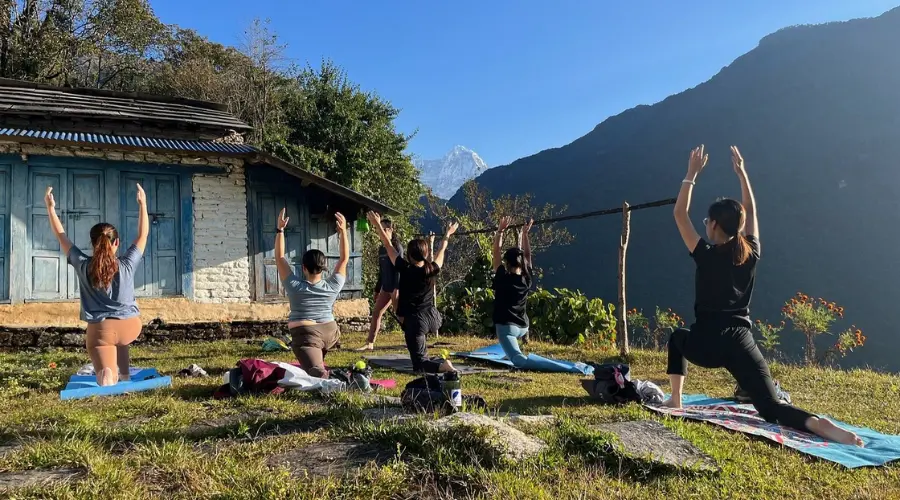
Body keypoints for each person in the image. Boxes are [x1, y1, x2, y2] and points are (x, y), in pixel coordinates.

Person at [667, 144, 863, 446]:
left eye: (707, 221)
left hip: (707, 344)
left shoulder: (704, 254)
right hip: (741, 342)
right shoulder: (751, 252)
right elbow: (752, 210)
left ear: (715, 225)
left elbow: (679, 214)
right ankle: (815, 422)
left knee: (677, 338)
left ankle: (675, 400)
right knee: (771, 407)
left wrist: (691, 174)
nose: (705, 224)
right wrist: (742, 172)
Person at [45, 184, 149, 387]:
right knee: (119, 341)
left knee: (106, 371)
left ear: (93, 243)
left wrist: (50, 208)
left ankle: (109, 375)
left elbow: (61, 235)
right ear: (116, 242)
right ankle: (125, 375)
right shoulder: (127, 264)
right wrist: (142, 204)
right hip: (131, 326)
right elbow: (142, 235)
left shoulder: (82, 264)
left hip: (102, 332)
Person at [367, 211, 456, 373]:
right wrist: (447, 234)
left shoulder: (405, 268)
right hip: (433, 317)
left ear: (408, 255)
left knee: (420, 364)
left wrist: (377, 225)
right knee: (418, 347)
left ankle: (444, 366)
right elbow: (442, 250)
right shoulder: (432, 269)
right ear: (426, 253)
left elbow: (388, 245)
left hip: (417, 321)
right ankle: (437, 359)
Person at [276, 208, 348, 378]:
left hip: (307, 336)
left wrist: (280, 230)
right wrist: (343, 231)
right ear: (323, 268)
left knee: (317, 374)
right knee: (316, 365)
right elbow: (344, 258)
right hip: (330, 332)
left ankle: (346, 380)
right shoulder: (333, 285)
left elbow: (280, 258)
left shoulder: (295, 285)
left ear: (303, 268)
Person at [492, 216, 545, 369]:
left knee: (518, 360)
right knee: (511, 351)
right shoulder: (527, 278)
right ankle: (510, 349)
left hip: (507, 329)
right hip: (523, 326)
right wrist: (526, 235)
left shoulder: (502, 277)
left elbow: (496, 251)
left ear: (506, 263)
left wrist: (500, 231)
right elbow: (527, 256)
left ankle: (553, 366)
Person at [357, 218, 403, 351]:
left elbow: (399, 269)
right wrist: (377, 289)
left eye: (383, 229)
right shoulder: (381, 249)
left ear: (391, 230)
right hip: (385, 287)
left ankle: (413, 338)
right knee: (376, 313)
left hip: (396, 288)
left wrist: (396, 289)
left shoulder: (397, 247)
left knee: (400, 315)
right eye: (379, 229)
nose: (380, 232)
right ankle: (370, 343)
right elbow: (381, 271)